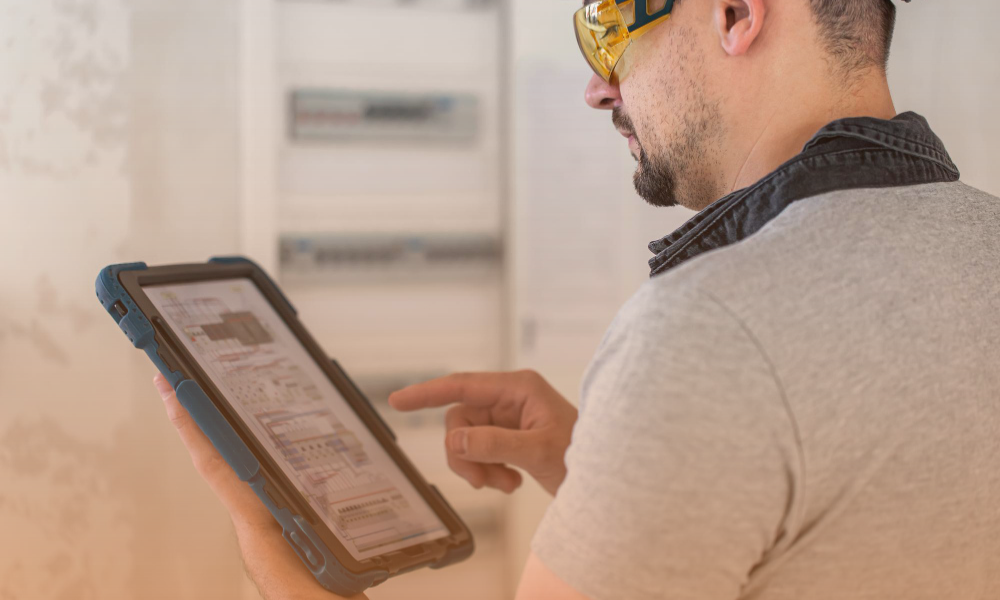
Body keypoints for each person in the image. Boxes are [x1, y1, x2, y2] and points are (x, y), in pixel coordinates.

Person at [153, 0, 1000, 598]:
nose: (598, 87)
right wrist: (609, 468)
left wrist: (269, 534)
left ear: (738, 13)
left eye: (606, 25)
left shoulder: (710, 330)